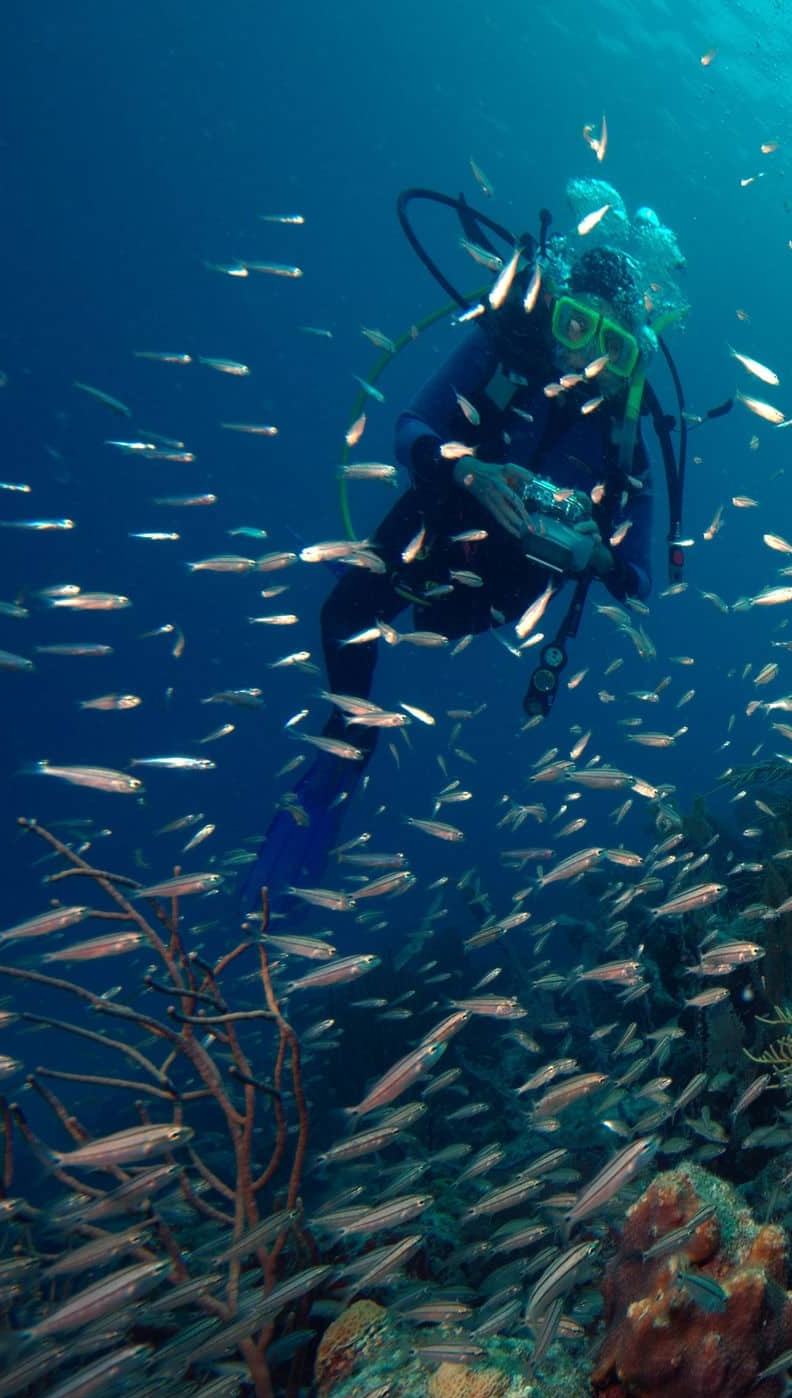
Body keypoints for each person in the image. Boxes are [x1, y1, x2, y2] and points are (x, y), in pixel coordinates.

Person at [241, 241, 660, 906]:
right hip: (438, 519)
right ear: (554, 311)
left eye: (616, 344)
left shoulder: (626, 437)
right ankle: (344, 745)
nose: (590, 357)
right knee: (344, 613)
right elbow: (410, 426)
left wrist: (594, 554)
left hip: (503, 591)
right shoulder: (505, 348)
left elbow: (638, 574)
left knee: (434, 619)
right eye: (577, 324)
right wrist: (467, 468)